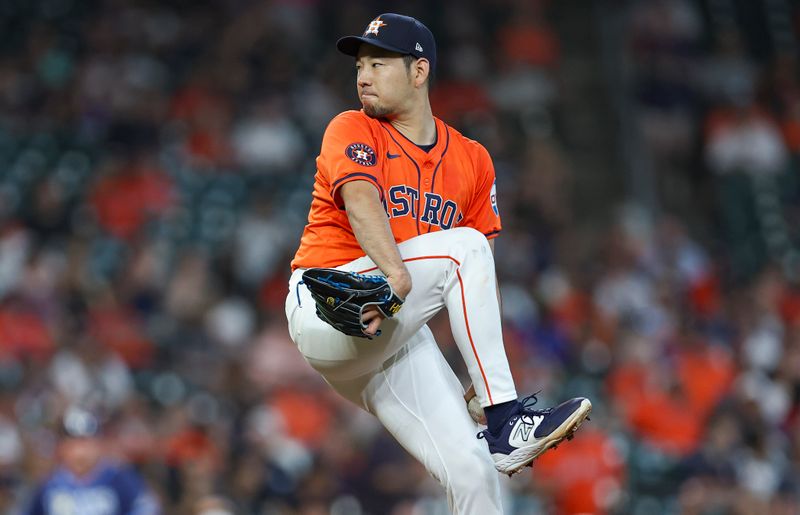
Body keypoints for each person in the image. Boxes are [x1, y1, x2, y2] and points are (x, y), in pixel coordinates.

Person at [285, 13, 591, 514]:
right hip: (330, 302)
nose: (363, 75)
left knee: (475, 473)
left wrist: (483, 370)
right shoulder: (352, 127)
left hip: (394, 336)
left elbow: (480, 276)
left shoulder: (472, 160)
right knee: (463, 247)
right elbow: (362, 205)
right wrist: (397, 276)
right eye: (360, 64)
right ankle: (507, 418)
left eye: (379, 63)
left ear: (419, 71)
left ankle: (499, 417)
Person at [23, 406, 160, 515]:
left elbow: (147, 508)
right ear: (62, 448)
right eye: (73, 443)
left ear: (98, 445)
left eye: (85, 443)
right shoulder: (50, 485)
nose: (80, 451)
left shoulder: (119, 477)